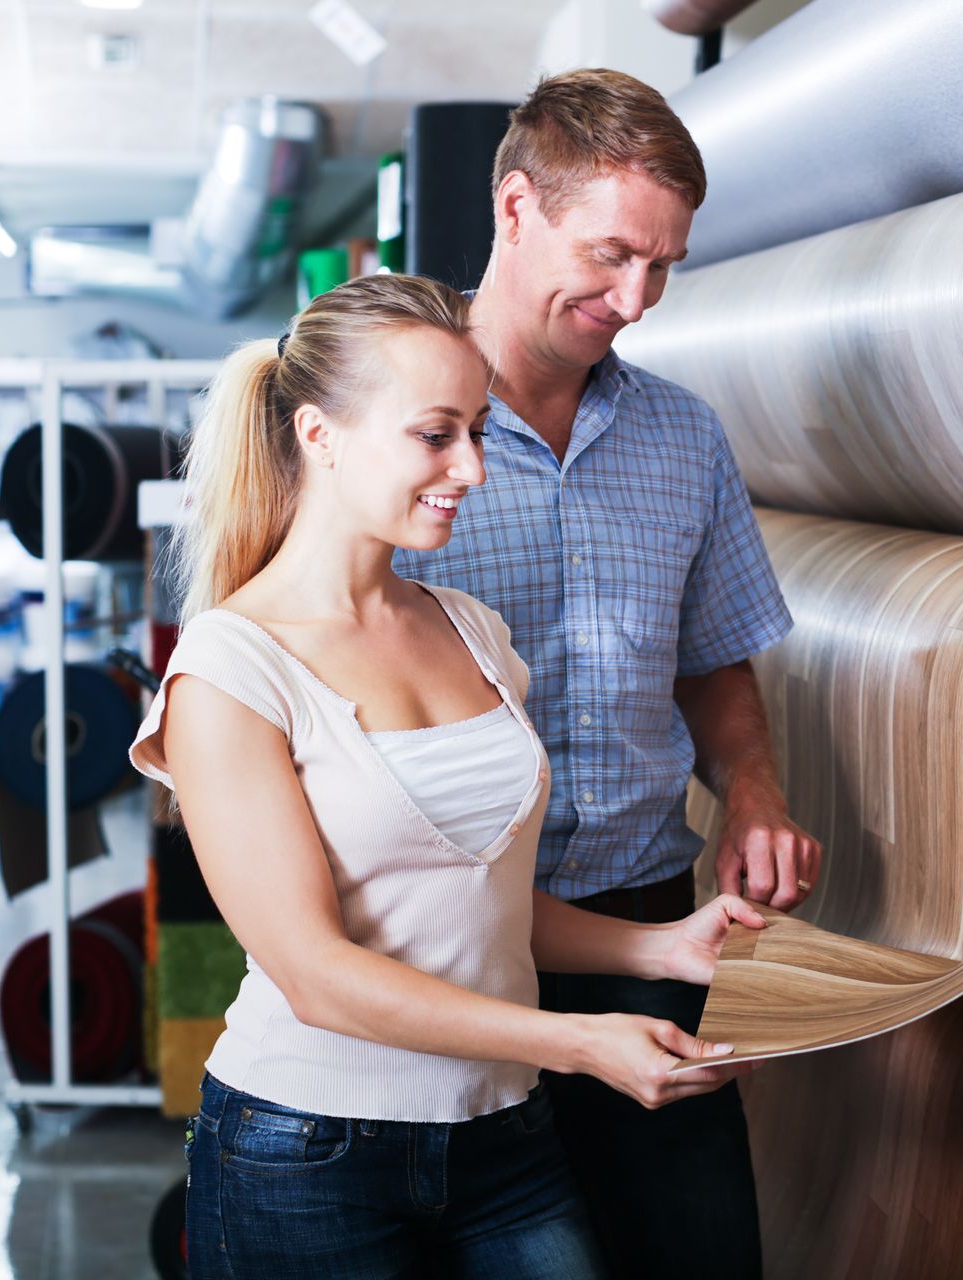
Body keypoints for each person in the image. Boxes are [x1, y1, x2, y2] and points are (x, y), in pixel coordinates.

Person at [128, 274, 765, 1279]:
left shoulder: (471, 628)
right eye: (437, 433)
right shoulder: (230, 670)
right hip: (310, 1150)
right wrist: (578, 1040)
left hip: (504, 1133)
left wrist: (666, 948)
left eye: (477, 427)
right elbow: (315, 971)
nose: (472, 465)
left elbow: (480, 893)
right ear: (320, 435)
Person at [391, 69, 819, 1278]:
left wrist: (752, 790)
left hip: (649, 927)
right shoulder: (390, 429)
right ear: (516, 207)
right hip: (444, 937)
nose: (636, 298)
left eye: (665, 264)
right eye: (613, 253)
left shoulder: (683, 436)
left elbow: (711, 654)